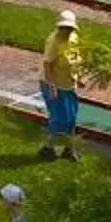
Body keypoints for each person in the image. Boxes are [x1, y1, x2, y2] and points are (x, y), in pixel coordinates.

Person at [38, 10, 84, 161]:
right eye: (64, 27)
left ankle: (69, 149)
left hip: (69, 84)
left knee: (71, 118)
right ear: (59, 27)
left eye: (69, 28)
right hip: (53, 84)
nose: (67, 30)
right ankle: (48, 147)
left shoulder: (74, 38)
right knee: (60, 118)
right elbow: (48, 64)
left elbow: (76, 59)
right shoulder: (54, 41)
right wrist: (52, 86)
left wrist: (80, 76)